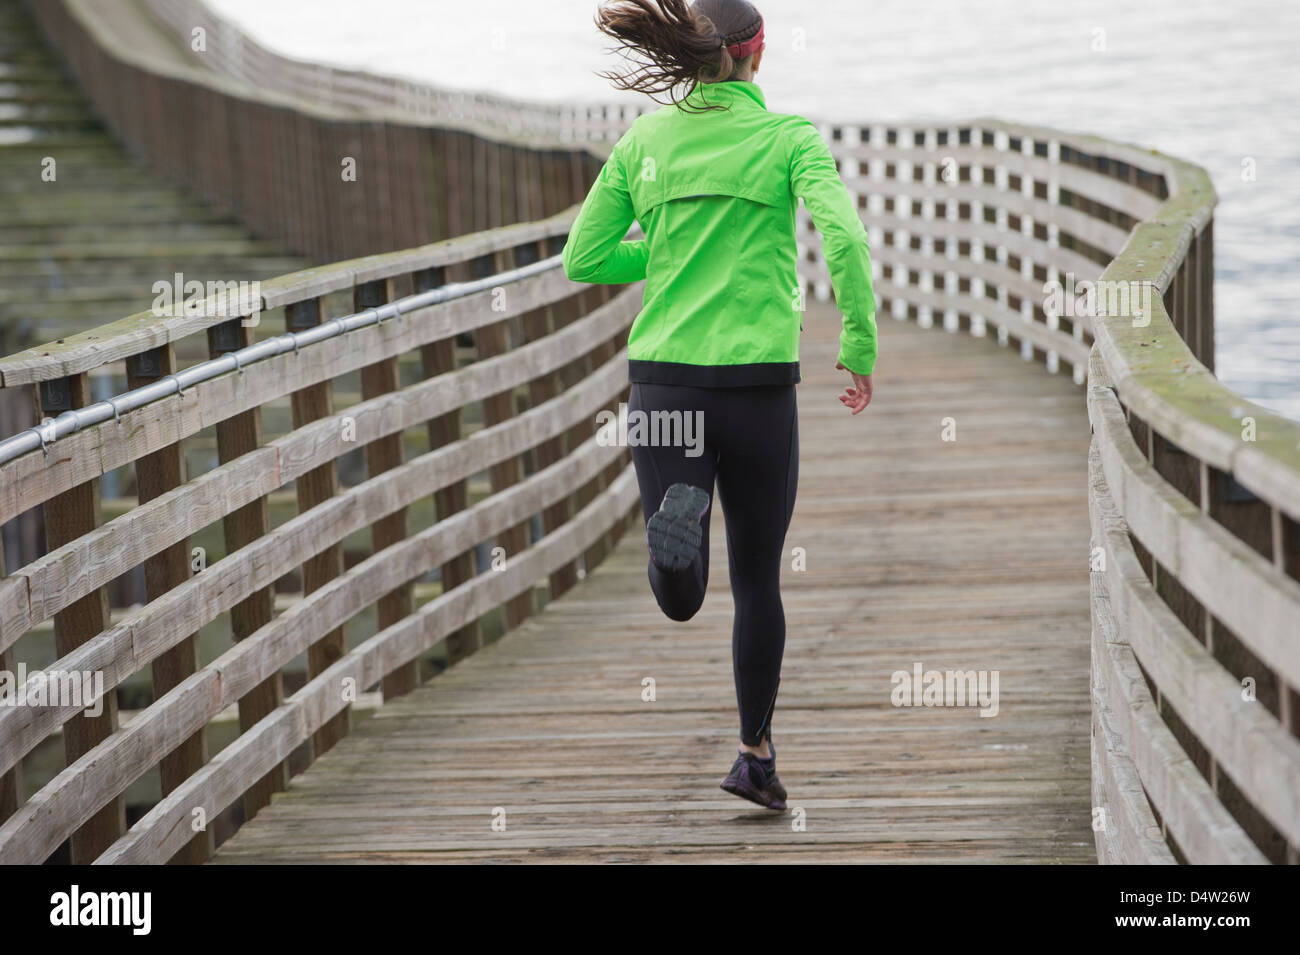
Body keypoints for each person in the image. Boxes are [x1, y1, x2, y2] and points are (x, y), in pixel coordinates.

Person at [562, 0, 877, 810]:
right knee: (759, 579)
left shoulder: (645, 140)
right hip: (758, 388)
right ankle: (753, 755)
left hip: (664, 381)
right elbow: (841, 235)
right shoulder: (787, 139)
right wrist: (860, 341)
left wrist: (664, 251)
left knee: (686, 589)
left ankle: (675, 553)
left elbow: (584, 256)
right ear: (756, 54)